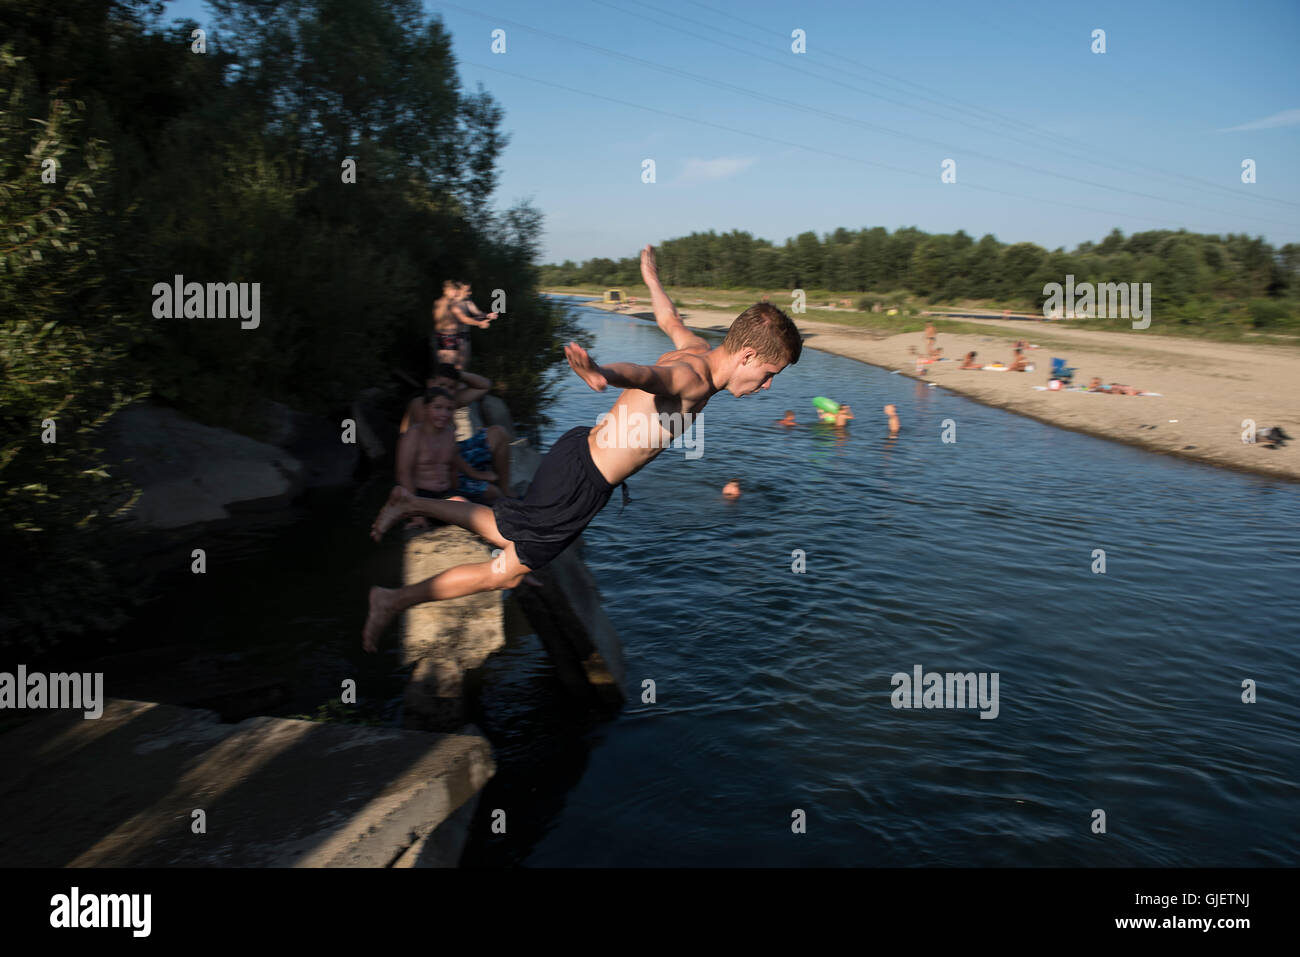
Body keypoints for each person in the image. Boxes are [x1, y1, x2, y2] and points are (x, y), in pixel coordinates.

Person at [362, 244, 801, 651]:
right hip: (581, 482)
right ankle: (392, 598)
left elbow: (668, 319)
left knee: (504, 531)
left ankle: (410, 506)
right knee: (502, 573)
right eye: (768, 374)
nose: (766, 386)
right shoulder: (695, 378)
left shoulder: (697, 350)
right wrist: (602, 374)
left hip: (579, 461)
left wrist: (651, 279)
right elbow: (648, 376)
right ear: (745, 355)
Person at [396, 388, 501, 533]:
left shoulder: (449, 434)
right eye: (438, 408)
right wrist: (416, 515)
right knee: (469, 510)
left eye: (449, 409)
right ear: (426, 409)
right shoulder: (413, 436)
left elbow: (452, 468)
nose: (444, 414)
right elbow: (404, 474)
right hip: (423, 497)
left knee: (493, 499)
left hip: (446, 493)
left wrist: (459, 490)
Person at [452, 282, 498, 369]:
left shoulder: (467, 301)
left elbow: (477, 313)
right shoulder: (453, 303)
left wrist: (488, 315)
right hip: (454, 337)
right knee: (455, 369)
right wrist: (480, 323)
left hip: (465, 337)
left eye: (470, 290)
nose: (470, 293)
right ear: (459, 290)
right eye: (467, 290)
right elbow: (463, 319)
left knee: (463, 367)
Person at [431, 280, 464, 369]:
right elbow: (463, 318)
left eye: (455, 290)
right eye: (453, 290)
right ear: (446, 290)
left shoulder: (441, 302)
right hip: (448, 336)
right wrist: (479, 322)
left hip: (444, 337)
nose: (455, 292)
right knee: (451, 368)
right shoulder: (448, 303)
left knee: (447, 367)